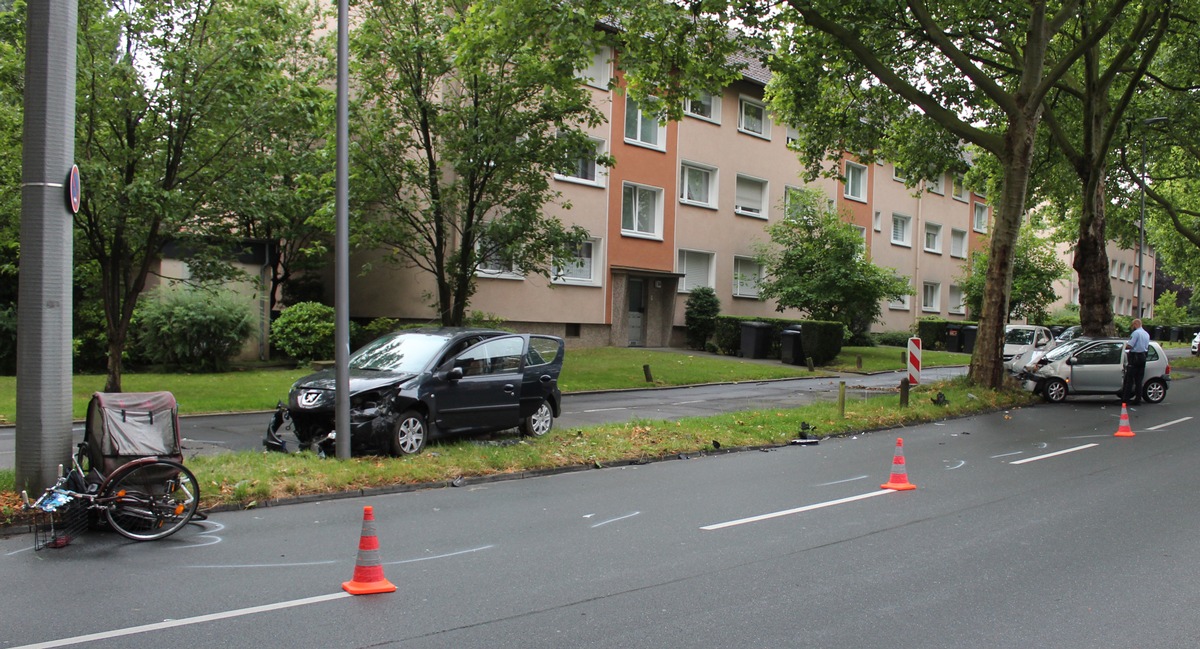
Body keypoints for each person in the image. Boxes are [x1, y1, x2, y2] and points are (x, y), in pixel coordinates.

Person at [1122, 318, 1150, 404]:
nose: (1132, 327)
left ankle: (1125, 399)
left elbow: (1130, 345)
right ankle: (1138, 399)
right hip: (1143, 357)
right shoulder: (1146, 334)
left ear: (1135, 324)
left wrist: (1124, 346)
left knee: (1129, 379)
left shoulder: (1136, 333)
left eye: (1133, 325)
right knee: (1139, 380)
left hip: (1135, 357)